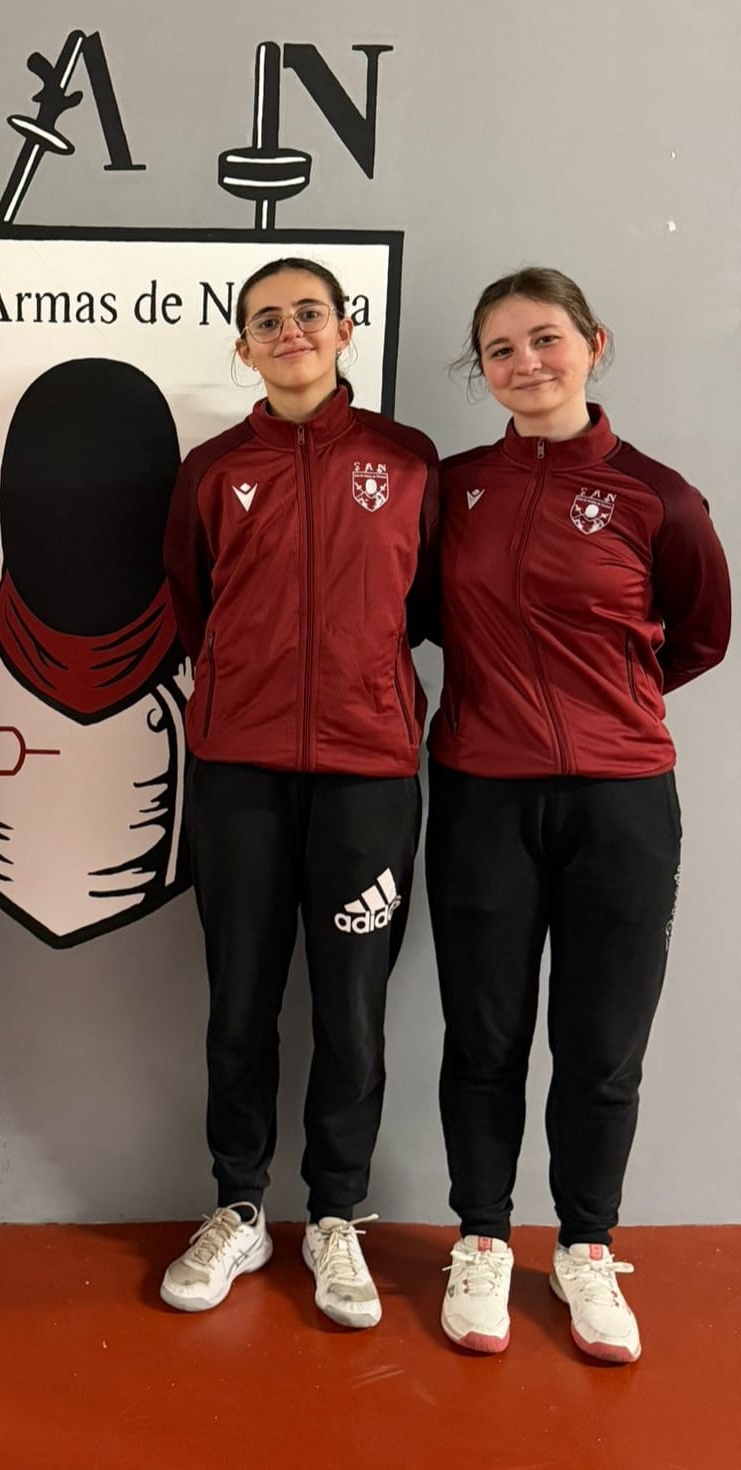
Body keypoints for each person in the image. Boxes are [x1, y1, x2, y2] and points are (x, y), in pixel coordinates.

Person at [428, 267, 729, 1363]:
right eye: (500, 350)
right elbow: (419, 615)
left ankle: (588, 1248)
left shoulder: (661, 497)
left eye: (545, 340)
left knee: (602, 1048)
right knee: (486, 1037)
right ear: (484, 371)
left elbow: (698, 636)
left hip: (623, 807)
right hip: (481, 799)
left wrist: (608, 717)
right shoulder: (451, 490)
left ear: (593, 344)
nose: (525, 365)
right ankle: (483, 1239)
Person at [161, 257, 439, 1328]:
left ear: (345, 328)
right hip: (238, 768)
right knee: (238, 1002)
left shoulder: (407, 463)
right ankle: (238, 1206)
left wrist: (357, 677)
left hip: (369, 770)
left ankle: (336, 1217)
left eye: (307, 315)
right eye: (266, 321)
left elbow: (420, 604)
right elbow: (190, 600)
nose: (289, 333)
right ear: (242, 347)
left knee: (352, 1008)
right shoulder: (211, 469)